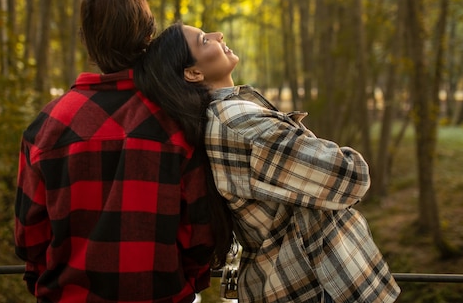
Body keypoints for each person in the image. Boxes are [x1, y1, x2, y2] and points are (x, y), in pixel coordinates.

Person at [135, 22, 401, 303]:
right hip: (320, 286)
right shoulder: (239, 123)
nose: (218, 35)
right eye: (204, 40)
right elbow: (350, 176)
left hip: (291, 283)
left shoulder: (215, 118)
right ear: (193, 72)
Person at [14, 0, 231, 303]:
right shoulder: (178, 120)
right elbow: (201, 236)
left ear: (88, 42)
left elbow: (29, 240)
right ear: (148, 33)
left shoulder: (44, 127)